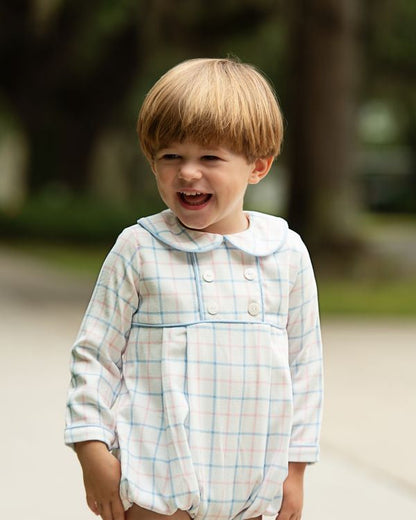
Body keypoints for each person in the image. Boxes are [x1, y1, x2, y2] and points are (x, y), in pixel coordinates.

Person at [65, 58, 323, 520]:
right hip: (155, 479)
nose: (187, 173)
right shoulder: (140, 248)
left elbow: (305, 370)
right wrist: (91, 448)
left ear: (258, 166)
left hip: (251, 484)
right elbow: (95, 354)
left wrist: (295, 469)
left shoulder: (286, 254)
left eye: (209, 158)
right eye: (171, 157)